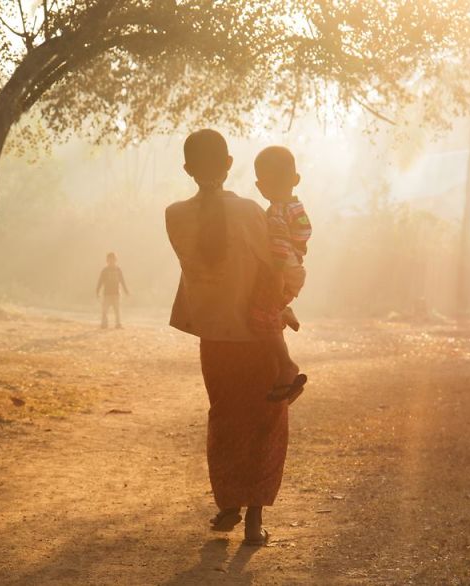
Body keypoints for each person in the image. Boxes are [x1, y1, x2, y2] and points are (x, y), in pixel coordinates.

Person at [165, 129, 303, 546]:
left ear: (187, 170)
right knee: (265, 422)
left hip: (215, 339)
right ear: (229, 164)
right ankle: (253, 522)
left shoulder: (174, 214)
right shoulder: (250, 212)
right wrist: (286, 301)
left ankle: (228, 502)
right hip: (257, 337)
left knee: (224, 418)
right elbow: (274, 269)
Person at [249, 146, 311, 403]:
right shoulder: (296, 206)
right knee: (270, 306)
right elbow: (304, 235)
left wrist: (276, 273)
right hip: (295, 265)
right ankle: (282, 309)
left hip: (283, 268)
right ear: (295, 180)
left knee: (259, 313)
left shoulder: (275, 212)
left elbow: (278, 246)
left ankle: (286, 365)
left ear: (260, 186)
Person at [96, 252, 128, 329]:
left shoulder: (118, 270)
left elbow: (122, 280)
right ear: (107, 260)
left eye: (113, 259)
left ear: (115, 260)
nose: (111, 261)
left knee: (117, 310)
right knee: (104, 310)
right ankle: (104, 324)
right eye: (110, 260)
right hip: (107, 294)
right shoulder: (105, 270)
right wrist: (97, 290)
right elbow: (100, 281)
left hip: (116, 293)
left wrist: (126, 290)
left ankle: (118, 324)